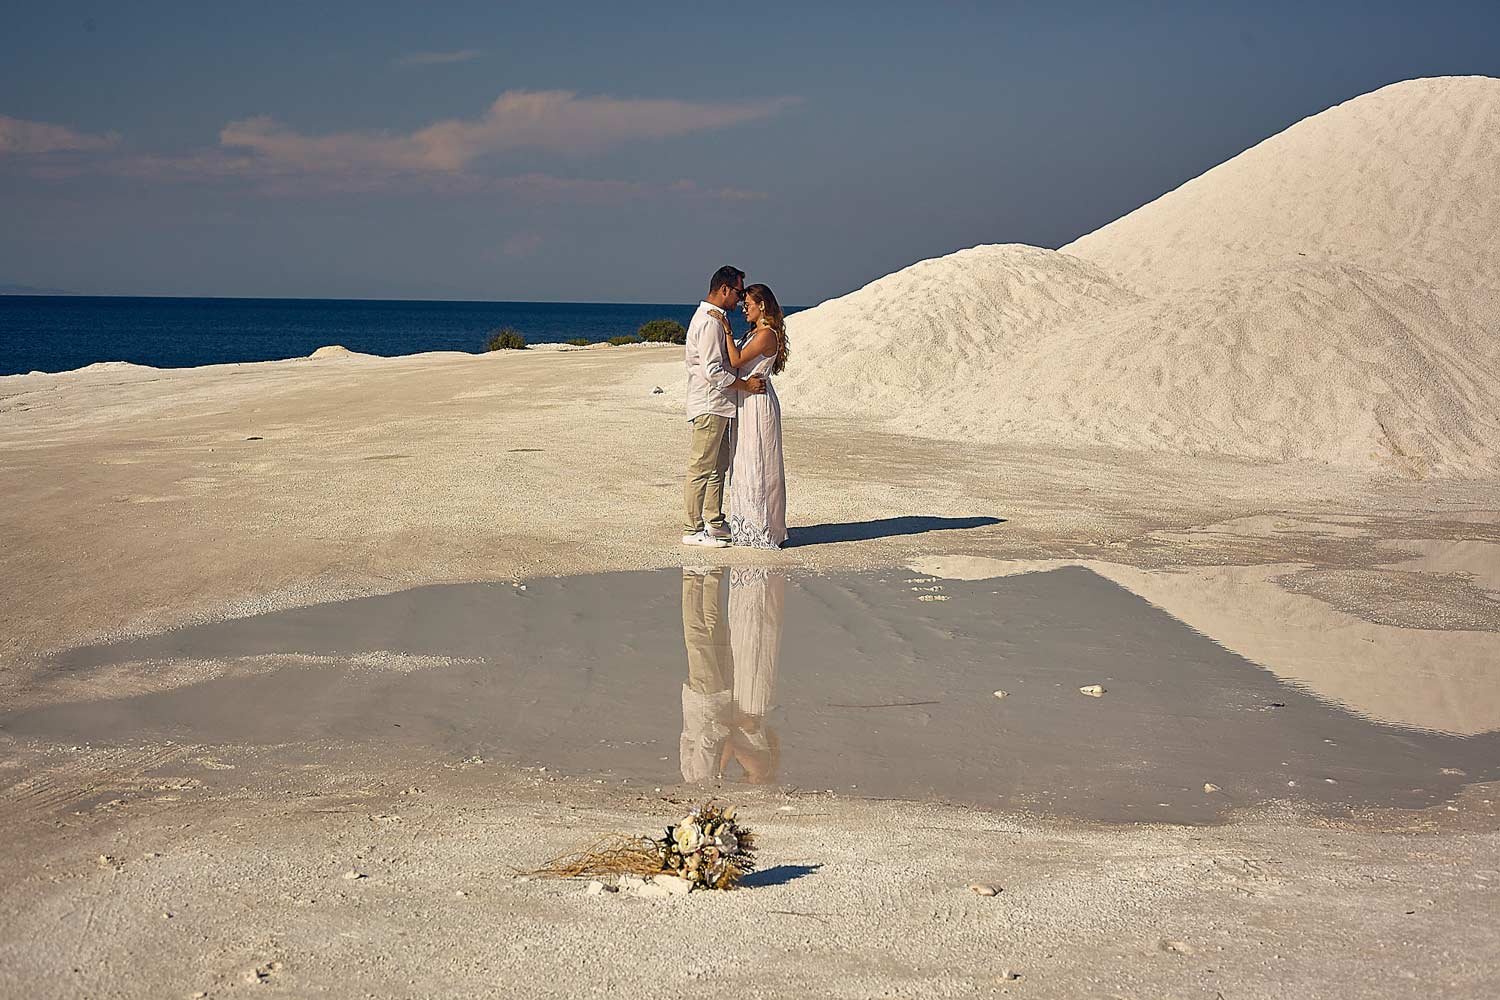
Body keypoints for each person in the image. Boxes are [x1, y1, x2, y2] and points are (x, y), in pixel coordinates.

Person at [682, 266, 765, 548]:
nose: (741, 300)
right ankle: (692, 528)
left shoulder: (717, 320)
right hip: (709, 403)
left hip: (719, 404)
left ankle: (714, 522)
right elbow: (713, 370)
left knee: (719, 466)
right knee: (702, 467)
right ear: (725, 289)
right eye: (739, 292)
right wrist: (746, 386)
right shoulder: (709, 321)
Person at [723, 283, 788, 549]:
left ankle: (762, 527)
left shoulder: (766, 335)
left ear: (761, 305)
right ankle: (748, 523)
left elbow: (737, 360)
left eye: (747, 305)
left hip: (758, 403)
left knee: (759, 460)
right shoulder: (755, 333)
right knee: (745, 460)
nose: (743, 310)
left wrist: (726, 330)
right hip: (746, 400)